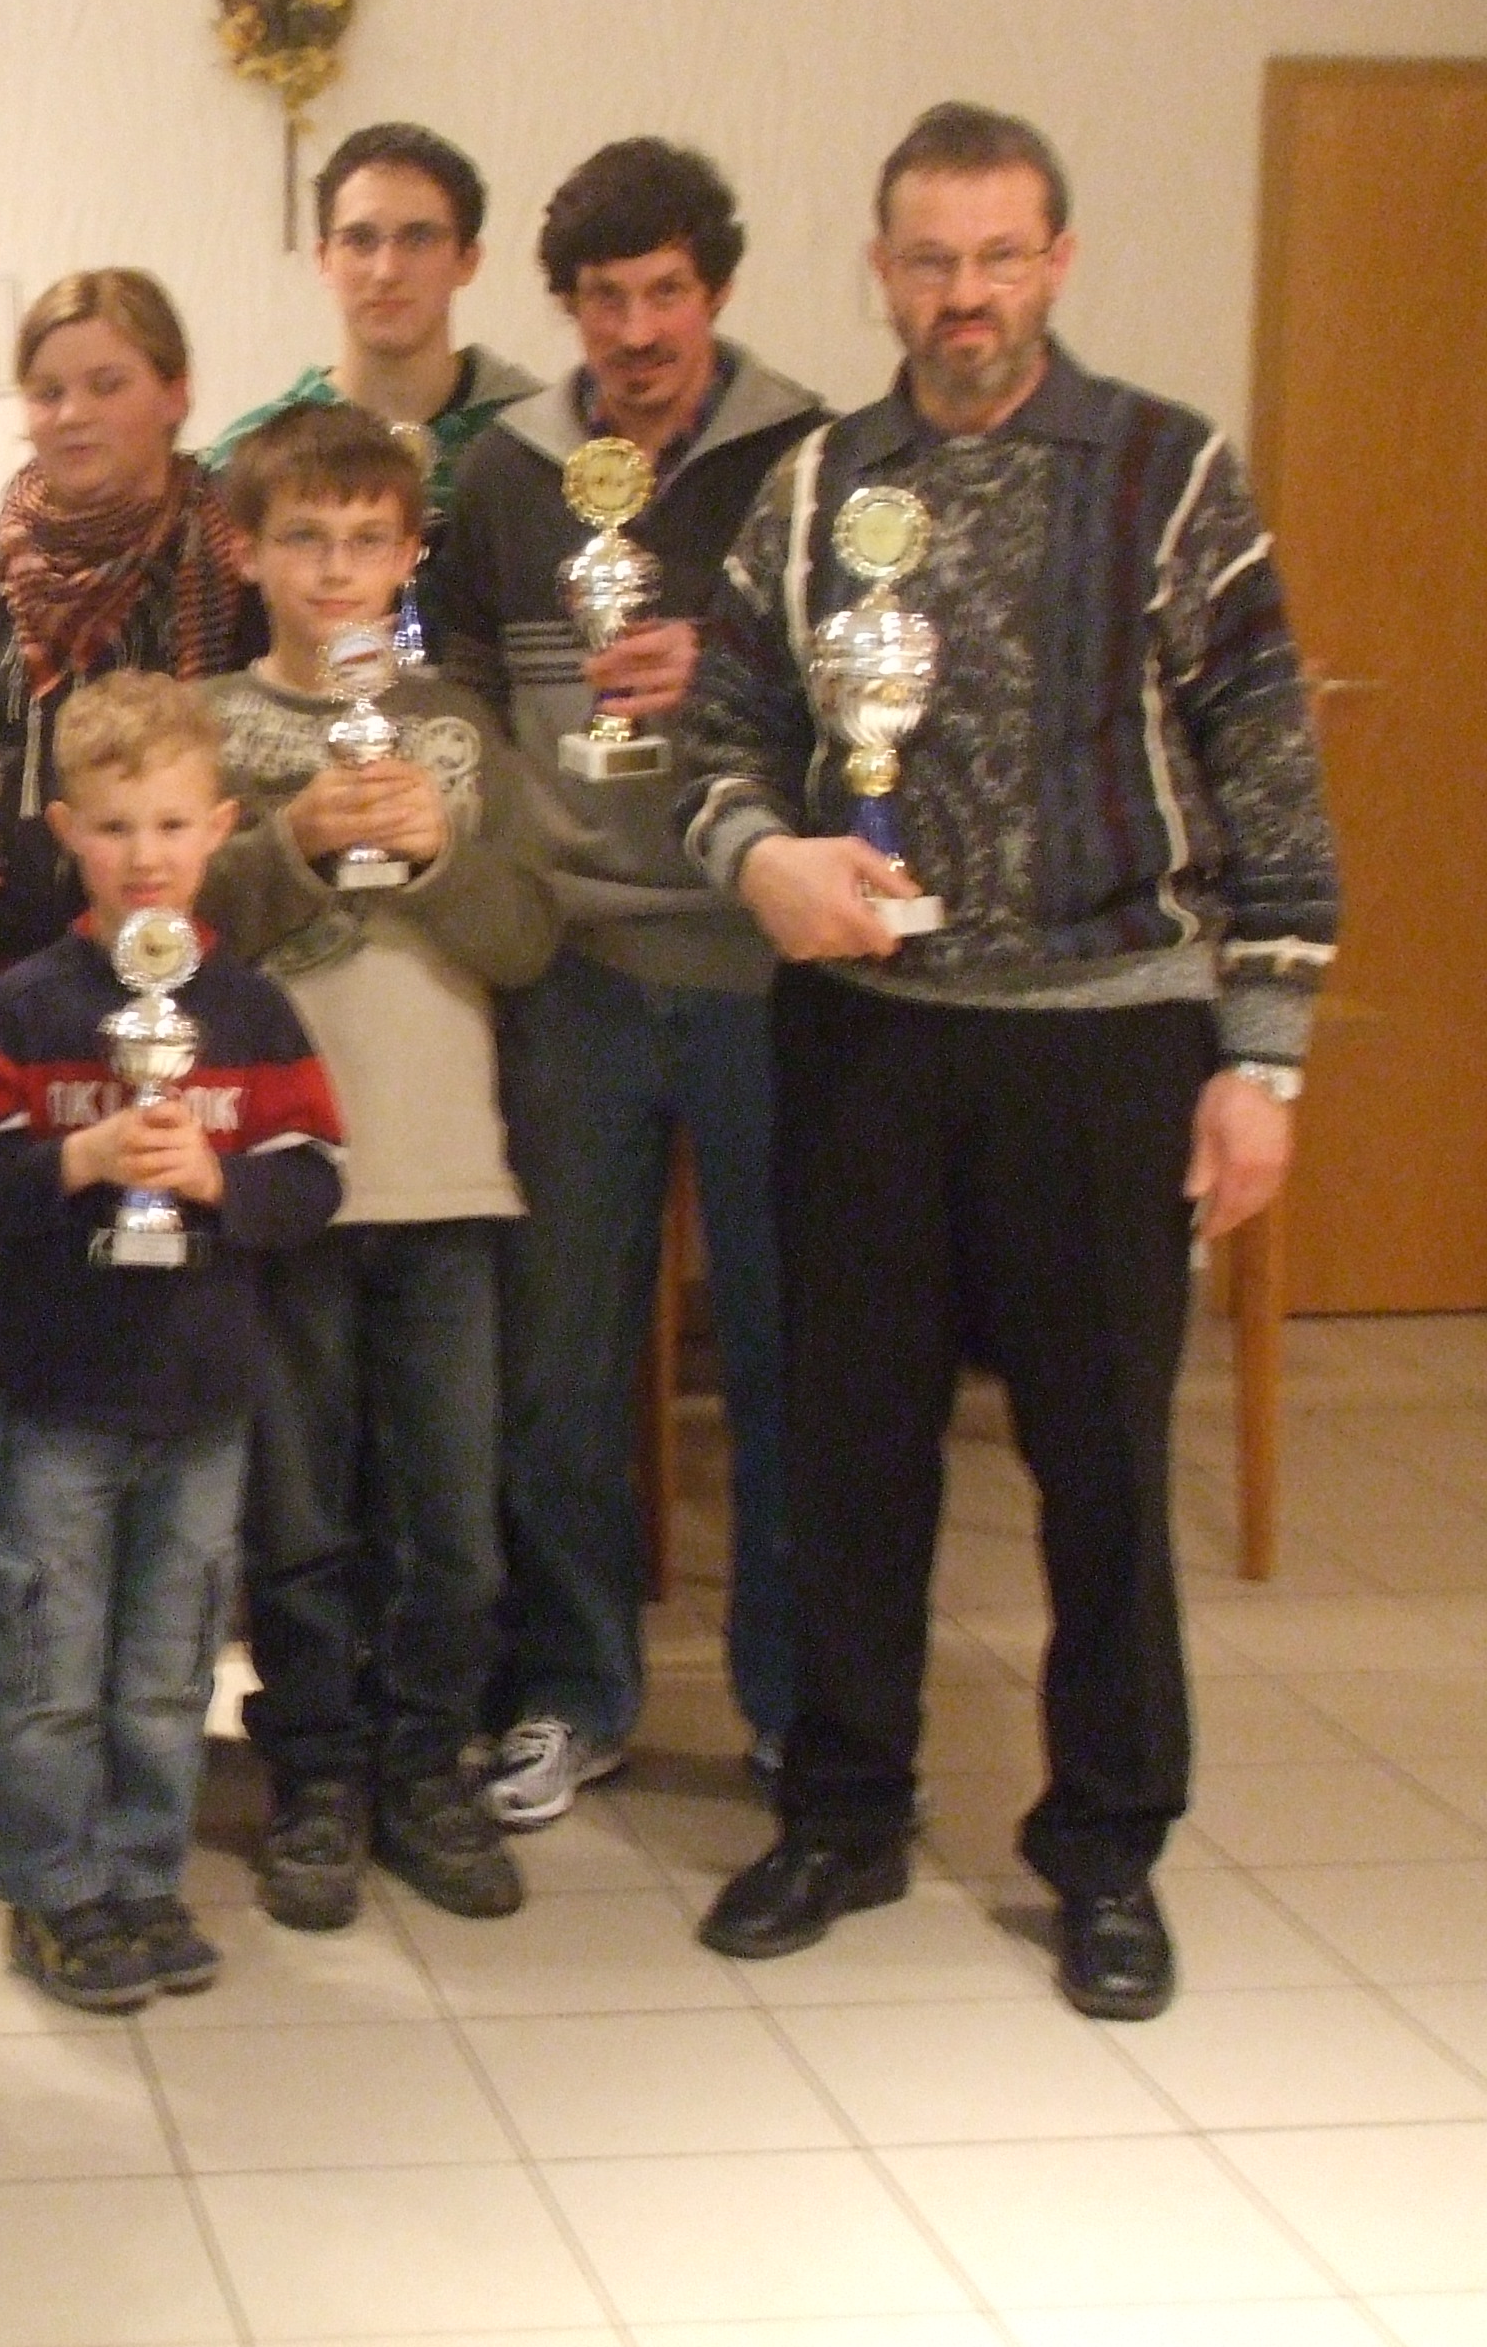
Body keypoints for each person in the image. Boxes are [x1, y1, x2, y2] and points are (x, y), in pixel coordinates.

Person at [681, 104, 1340, 2019]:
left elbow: (1267, 774)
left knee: (1102, 1473)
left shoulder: (1166, 471)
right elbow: (721, 738)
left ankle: (1106, 1849)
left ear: (1054, 260)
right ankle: (841, 1809)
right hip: (863, 1044)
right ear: (878, 272)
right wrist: (760, 857)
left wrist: (1261, 1060)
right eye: (926, 260)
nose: (959, 295)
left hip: (1107, 1041)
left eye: (994, 256)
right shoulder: (811, 487)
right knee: (844, 1457)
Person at [436, 140, 826, 1828]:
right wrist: (493, 844)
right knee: (560, 1363)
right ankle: (574, 1691)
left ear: (714, 291)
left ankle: (795, 1704)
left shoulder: (809, 456)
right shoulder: (506, 471)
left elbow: (880, 685)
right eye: (606, 298)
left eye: (668, 291)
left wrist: (728, 661)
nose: (640, 329)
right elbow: (455, 683)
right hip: (576, 968)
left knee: (784, 1355)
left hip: (764, 969)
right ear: (567, 307)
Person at [0, 268, 280, 1800]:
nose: (74, 412)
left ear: (175, 394)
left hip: (192, 1032)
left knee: (157, 1364)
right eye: (50, 387)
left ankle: (130, 1695)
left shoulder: (237, 579)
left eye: (109, 382)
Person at [0, 672, 345, 2011]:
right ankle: (54, 1893)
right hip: (58, 1395)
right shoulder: (23, 1008)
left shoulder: (254, 1010)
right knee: (44, 1666)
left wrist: (218, 1181)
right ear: (64, 831)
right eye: (113, 827)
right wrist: (79, 1158)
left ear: (221, 827)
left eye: (172, 824)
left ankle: (145, 1878)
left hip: (203, 1399)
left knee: (167, 1671)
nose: (145, 854)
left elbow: (313, 1181)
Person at [199, 406, 555, 1931]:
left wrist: (437, 858)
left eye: (365, 541)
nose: (335, 570)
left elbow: (526, 936)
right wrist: (288, 843)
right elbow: (169, 933)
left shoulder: (456, 727)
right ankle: (316, 1775)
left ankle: (428, 1766)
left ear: (410, 555)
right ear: (245, 553)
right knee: (297, 1522)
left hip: (445, 1178)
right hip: (277, 1181)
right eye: (303, 539)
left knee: (452, 1523)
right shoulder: (208, 723)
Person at [207, 120, 540, 639]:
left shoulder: (534, 441)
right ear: (324, 259)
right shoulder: (247, 456)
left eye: (419, 238)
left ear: (467, 260)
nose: (387, 270)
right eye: (360, 240)